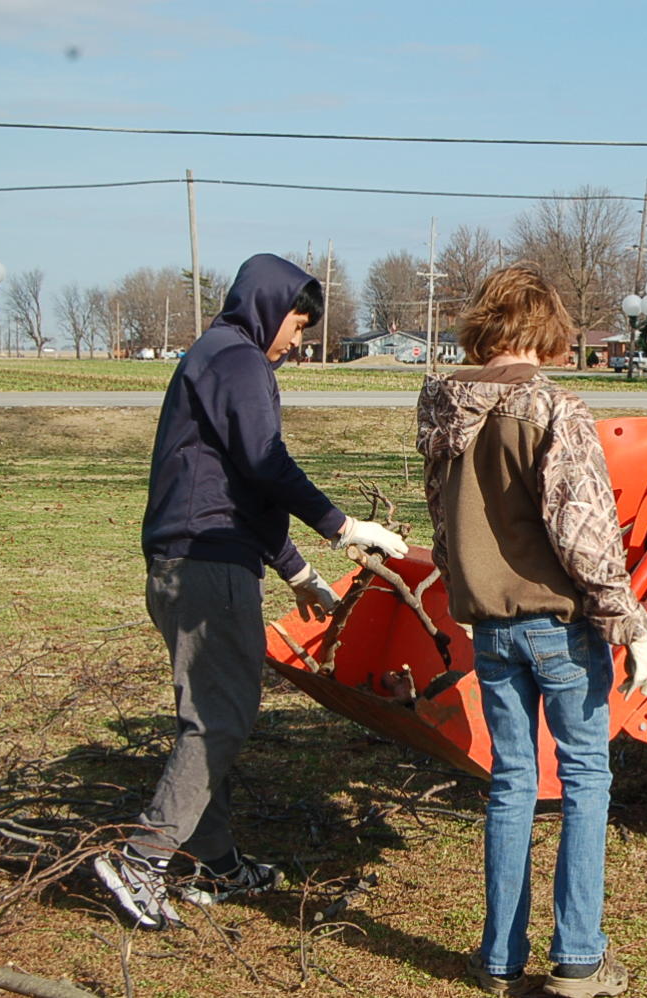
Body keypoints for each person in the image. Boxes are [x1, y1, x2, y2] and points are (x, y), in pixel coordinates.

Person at [94, 253, 408, 930]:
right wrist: (344, 527)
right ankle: (142, 860)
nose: (298, 338)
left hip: (190, 560)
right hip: (208, 566)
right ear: (268, 307)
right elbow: (268, 466)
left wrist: (296, 571)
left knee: (209, 715)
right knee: (220, 721)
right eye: (297, 321)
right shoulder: (238, 361)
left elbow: (241, 482)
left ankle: (214, 863)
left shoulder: (218, 357)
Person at [417, 264, 647, 998]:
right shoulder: (553, 409)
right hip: (559, 627)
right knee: (585, 780)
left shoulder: (439, 407)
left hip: (489, 628)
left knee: (511, 785)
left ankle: (498, 961)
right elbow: (582, 531)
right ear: (541, 332)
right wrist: (629, 620)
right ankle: (578, 960)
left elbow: (438, 518)